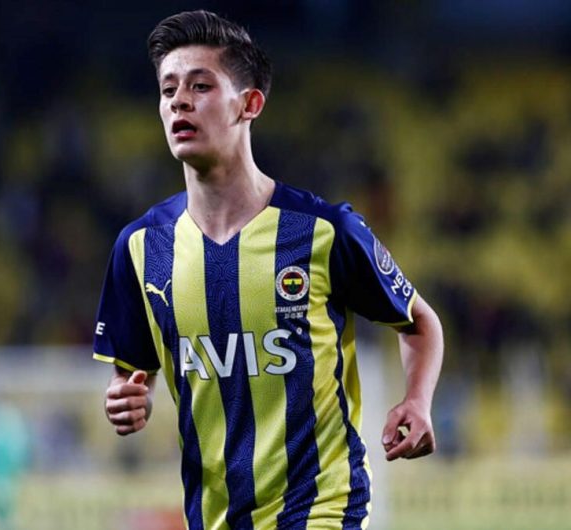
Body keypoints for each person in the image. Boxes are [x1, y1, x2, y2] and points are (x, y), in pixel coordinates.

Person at [93, 10, 443, 530]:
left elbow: (418, 321)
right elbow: (131, 374)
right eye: (168, 90)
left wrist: (417, 400)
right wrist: (125, 398)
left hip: (324, 508)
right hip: (215, 516)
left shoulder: (323, 231)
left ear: (249, 104)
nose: (179, 101)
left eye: (200, 85)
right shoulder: (141, 247)